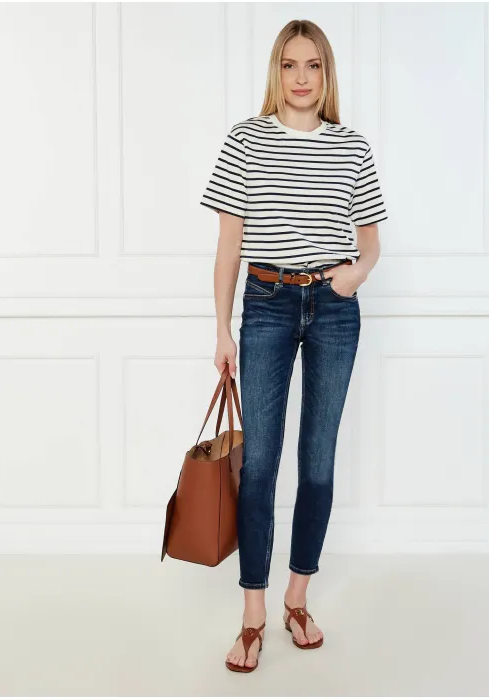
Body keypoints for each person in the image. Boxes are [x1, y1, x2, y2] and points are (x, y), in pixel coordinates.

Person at [199, 18, 387, 673]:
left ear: (326, 74)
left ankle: (297, 599)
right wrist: (221, 328)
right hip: (267, 303)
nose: (301, 77)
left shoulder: (351, 147)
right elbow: (228, 244)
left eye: (313, 65)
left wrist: (354, 275)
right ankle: (253, 613)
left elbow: (372, 241)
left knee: (318, 461)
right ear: (275, 72)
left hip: (334, 309)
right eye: (289, 64)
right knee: (259, 465)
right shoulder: (245, 140)